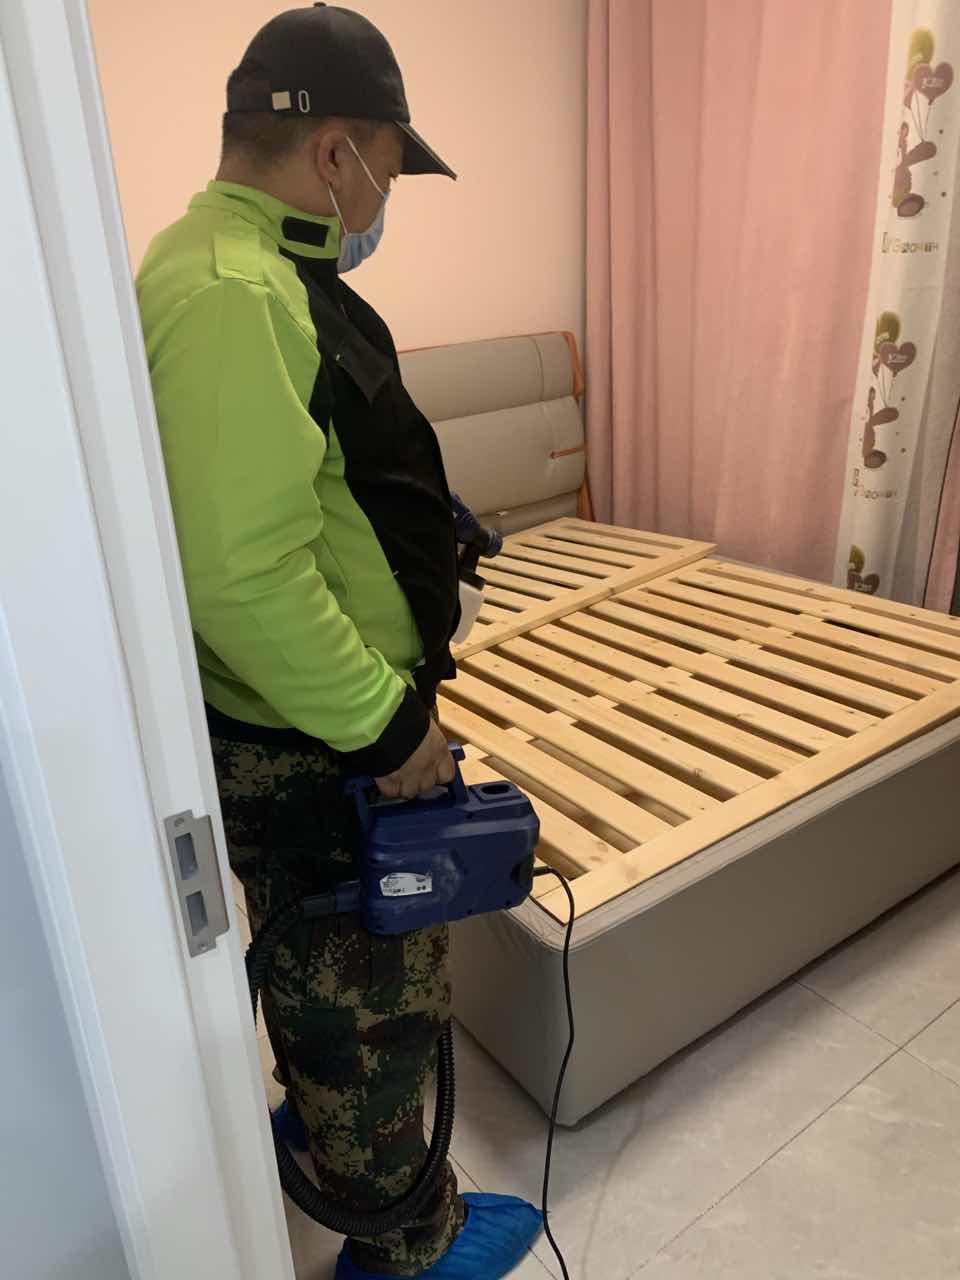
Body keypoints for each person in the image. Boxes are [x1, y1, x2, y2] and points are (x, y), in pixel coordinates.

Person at [135, 5, 541, 1277]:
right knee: (370, 1000)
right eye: (389, 172)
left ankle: (337, 1144)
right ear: (335, 155)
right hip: (320, 735)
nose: (383, 204)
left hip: (312, 719)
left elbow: (307, 482)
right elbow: (242, 574)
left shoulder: (257, 268)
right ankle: (406, 1243)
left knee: (329, 978)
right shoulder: (233, 292)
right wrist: (390, 725)